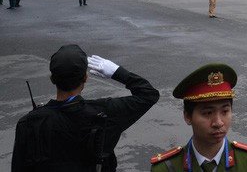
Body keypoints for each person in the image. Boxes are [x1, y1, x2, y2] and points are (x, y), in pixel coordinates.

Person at [12, 44, 159, 172]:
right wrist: (117, 72)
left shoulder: (29, 123)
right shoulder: (105, 113)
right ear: (86, 77)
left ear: (52, 79)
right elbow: (149, 95)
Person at [150, 63, 247, 172]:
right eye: (207, 113)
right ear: (187, 116)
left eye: (225, 111)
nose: (218, 122)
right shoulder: (166, 168)